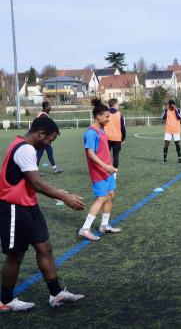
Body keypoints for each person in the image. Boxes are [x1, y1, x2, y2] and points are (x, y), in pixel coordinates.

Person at [0, 117, 85, 312]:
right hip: (14, 208)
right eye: (50, 140)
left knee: (44, 247)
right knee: (15, 255)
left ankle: (56, 294)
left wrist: (59, 192)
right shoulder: (25, 148)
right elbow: (36, 183)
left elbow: (32, 182)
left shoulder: (25, 146)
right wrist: (65, 198)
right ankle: (5, 301)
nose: (49, 144)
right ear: (40, 134)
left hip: (29, 206)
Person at [79, 99, 121, 241]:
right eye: (107, 116)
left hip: (108, 171)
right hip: (99, 172)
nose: (109, 119)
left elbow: (103, 151)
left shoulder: (101, 130)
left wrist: (111, 167)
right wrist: (105, 166)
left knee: (110, 195)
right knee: (101, 198)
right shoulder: (91, 133)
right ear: (98, 116)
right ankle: (85, 228)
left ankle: (104, 225)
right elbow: (90, 153)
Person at [36, 101, 63, 174]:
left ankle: (54, 169)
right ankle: (35, 171)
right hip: (42, 139)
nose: (51, 107)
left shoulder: (43, 115)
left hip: (43, 138)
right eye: (49, 106)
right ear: (46, 107)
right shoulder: (43, 115)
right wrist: (56, 131)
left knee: (48, 152)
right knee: (40, 154)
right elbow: (50, 124)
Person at [104, 98, 126, 178]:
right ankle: (114, 175)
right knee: (115, 156)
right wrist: (123, 138)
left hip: (106, 138)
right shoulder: (119, 114)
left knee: (106, 156)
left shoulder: (106, 114)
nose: (118, 106)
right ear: (115, 105)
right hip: (117, 139)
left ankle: (106, 172)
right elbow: (123, 128)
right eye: (117, 104)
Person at [162, 100, 181, 164]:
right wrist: (166, 110)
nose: (171, 106)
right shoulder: (166, 110)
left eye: (172, 105)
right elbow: (163, 117)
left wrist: (175, 110)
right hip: (168, 130)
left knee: (177, 144)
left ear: (174, 105)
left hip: (176, 130)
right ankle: (165, 159)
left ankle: (179, 159)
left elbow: (179, 117)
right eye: (170, 105)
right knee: (166, 144)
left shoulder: (178, 110)